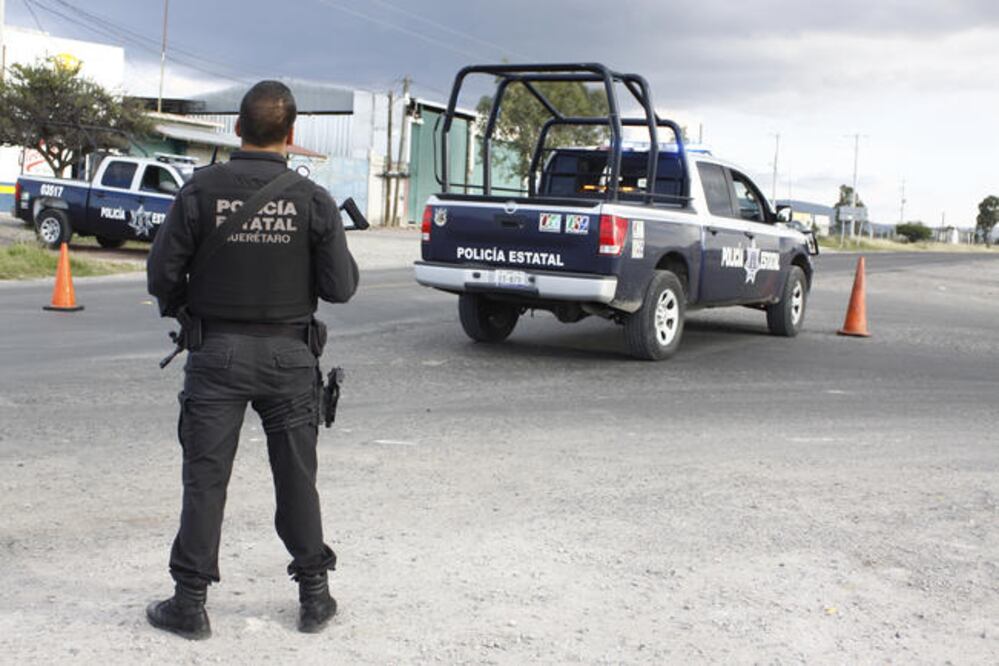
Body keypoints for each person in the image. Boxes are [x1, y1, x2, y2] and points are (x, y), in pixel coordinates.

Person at [145, 80, 358, 639]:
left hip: (216, 354)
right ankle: (315, 598)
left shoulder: (199, 190)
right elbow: (340, 287)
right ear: (291, 133)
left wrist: (186, 310)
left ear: (237, 127)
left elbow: (162, 274)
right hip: (290, 358)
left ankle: (190, 604)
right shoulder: (313, 200)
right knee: (297, 478)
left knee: (205, 478)